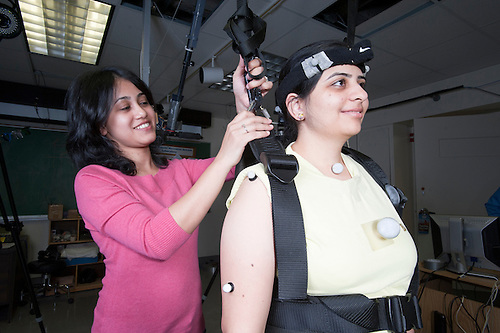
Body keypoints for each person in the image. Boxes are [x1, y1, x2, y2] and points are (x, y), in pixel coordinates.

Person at [220, 40, 419, 333]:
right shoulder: (263, 188)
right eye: (340, 83)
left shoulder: (372, 175)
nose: (361, 94)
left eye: (361, 83)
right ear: (297, 106)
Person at [65, 58, 273, 332]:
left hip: (189, 325)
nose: (141, 112)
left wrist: (244, 105)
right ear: (101, 126)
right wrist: (224, 156)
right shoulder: (94, 179)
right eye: (125, 107)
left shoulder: (179, 169)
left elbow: (241, 161)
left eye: (144, 102)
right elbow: (155, 242)